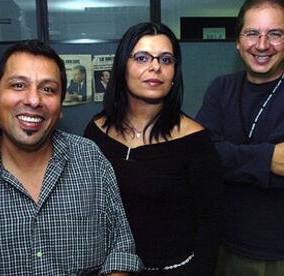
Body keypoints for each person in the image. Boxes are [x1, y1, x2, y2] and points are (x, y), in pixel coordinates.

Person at [0, 40, 142, 275]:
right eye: (19, 85)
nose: (33, 100)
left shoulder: (90, 159)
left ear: (60, 105)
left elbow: (121, 249)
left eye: (48, 89)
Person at [195, 1, 284, 275]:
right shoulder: (221, 88)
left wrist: (225, 155)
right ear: (238, 41)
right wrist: (268, 157)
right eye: (252, 33)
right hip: (220, 242)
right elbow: (201, 156)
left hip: (275, 251)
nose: (262, 44)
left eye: (275, 34)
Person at [84, 22, 222, 275]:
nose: (155, 66)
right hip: (109, 268)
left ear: (174, 73)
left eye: (166, 59)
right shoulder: (96, 131)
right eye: (142, 57)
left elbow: (210, 223)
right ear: (122, 67)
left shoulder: (195, 140)